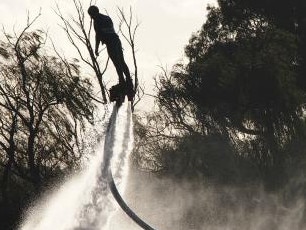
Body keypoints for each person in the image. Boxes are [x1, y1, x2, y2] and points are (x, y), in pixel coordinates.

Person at [88, 5, 134, 100]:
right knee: (121, 61)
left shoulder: (97, 21)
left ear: (94, 13)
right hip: (116, 40)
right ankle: (128, 81)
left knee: (117, 63)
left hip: (111, 42)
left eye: (91, 15)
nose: (91, 17)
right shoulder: (107, 17)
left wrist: (96, 48)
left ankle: (123, 82)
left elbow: (98, 35)